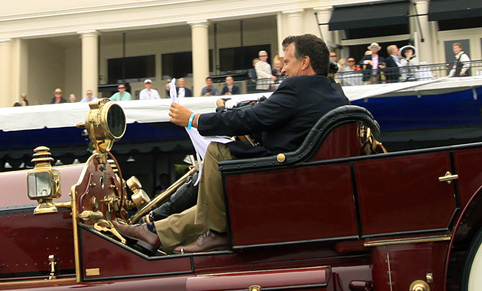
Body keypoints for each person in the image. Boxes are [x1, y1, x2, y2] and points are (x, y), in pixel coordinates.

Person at [116, 34, 347, 254]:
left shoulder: (297, 88)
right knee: (215, 207)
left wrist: (193, 119)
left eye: (287, 62)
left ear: (305, 62)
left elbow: (250, 118)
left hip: (285, 175)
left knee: (217, 151)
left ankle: (215, 232)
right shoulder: (336, 94)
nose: (283, 68)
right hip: (310, 175)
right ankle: (153, 231)